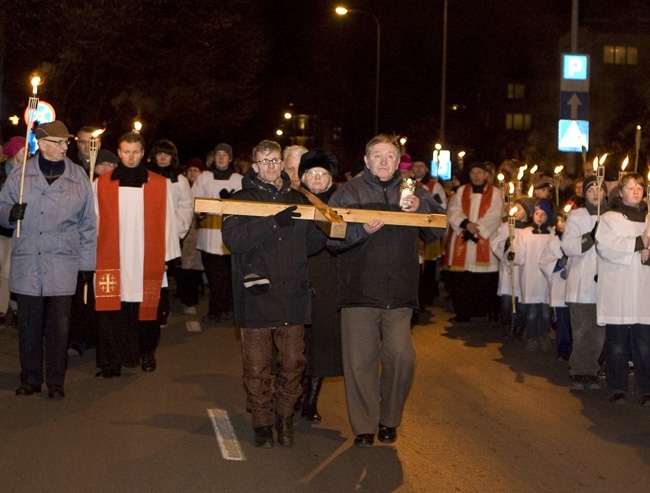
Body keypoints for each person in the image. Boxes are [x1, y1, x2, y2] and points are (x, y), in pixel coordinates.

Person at [327, 134, 445, 447]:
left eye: (389, 155)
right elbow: (329, 237)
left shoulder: (414, 191)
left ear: (398, 161)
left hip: (400, 294)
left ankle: (389, 418)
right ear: (366, 161)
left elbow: (436, 230)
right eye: (376, 155)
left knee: (402, 358)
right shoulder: (348, 192)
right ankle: (364, 426)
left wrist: (421, 207)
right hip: (359, 292)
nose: (383, 161)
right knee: (360, 363)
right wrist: (360, 231)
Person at [222, 139, 325, 449]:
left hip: (292, 293)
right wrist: (272, 222)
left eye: (275, 160)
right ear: (255, 166)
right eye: (264, 161)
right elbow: (234, 240)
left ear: (282, 163)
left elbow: (312, 245)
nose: (270, 166)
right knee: (256, 366)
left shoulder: (300, 198)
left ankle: (285, 417)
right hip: (256, 295)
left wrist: (324, 227)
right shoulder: (240, 199)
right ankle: (262, 422)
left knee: (293, 362)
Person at [0, 121, 97, 399]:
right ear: (42, 145)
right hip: (28, 259)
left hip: (62, 263)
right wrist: (9, 213)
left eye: (66, 142)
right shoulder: (19, 176)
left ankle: (56, 380)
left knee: (59, 326)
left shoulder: (78, 177)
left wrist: (87, 265)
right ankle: (30, 378)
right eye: (59, 142)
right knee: (29, 325)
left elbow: (88, 224)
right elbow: (1, 207)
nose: (65, 147)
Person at [94, 132, 180, 378]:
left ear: (143, 153)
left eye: (135, 152)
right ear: (119, 153)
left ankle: (146, 353)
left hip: (147, 257)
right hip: (114, 257)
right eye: (125, 152)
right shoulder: (101, 185)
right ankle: (111, 362)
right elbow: (93, 223)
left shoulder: (160, 185)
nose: (130, 157)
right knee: (112, 312)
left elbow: (169, 223)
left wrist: (167, 258)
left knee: (147, 310)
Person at [296, 149, 343, 423]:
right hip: (299, 273)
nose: (317, 178)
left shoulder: (341, 202)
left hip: (328, 274)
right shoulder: (294, 199)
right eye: (311, 173)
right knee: (297, 338)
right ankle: (295, 393)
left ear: (330, 179)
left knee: (322, 340)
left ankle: (311, 399)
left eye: (322, 174)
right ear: (303, 177)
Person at [595, 172, 650, 405]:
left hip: (644, 291)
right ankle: (617, 387)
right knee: (617, 344)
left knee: (645, 344)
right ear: (620, 192)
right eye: (630, 187)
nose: (636, 191)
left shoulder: (649, 218)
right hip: (618, 288)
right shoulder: (610, 218)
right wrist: (638, 243)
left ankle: (645, 389)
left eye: (639, 186)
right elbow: (605, 247)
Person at [562, 175, 607, 391]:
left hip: (605, 285)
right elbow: (569, 247)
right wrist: (590, 237)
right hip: (581, 285)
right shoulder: (576, 216)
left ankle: (592, 369)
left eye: (599, 189)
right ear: (584, 194)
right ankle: (578, 370)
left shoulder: (612, 216)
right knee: (581, 330)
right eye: (590, 190)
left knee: (599, 332)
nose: (595, 194)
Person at [443, 161, 504, 322]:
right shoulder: (462, 191)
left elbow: (496, 214)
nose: (476, 176)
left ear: (486, 175)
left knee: (485, 279)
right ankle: (463, 312)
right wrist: (466, 225)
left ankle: (486, 311)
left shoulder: (495, 192)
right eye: (473, 173)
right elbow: (453, 211)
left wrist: (478, 228)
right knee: (464, 279)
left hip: (485, 237)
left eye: (479, 173)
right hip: (464, 237)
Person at [191, 142, 243, 324]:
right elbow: (194, 201)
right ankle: (217, 309)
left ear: (230, 158)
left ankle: (225, 307)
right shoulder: (204, 177)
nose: (221, 158)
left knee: (228, 277)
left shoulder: (238, 179)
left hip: (229, 238)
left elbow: (245, 205)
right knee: (214, 278)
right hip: (208, 237)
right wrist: (202, 209)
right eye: (218, 154)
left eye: (225, 154)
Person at [146, 139, 193, 327]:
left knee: (163, 272)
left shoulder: (179, 180)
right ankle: (150, 308)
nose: (163, 157)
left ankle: (162, 308)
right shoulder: (145, 177)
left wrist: (176, 229)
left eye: (167, 154)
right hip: (148, 234)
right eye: (159, 153)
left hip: (169, 235)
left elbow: (186, 207)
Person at [512, 199, 555, 351]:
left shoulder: (552, 234)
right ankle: (532, 337)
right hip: (529, 278)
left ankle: (544, 335)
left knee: (544, 312)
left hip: (545, 280)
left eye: (544, 214)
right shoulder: (525, 233)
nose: (540, 217)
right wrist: (513, 255)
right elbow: (519, 254)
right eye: (537, 213)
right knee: (531, 313)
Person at [491, 197, 535, 337]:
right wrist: (506, 243)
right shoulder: (506, 227)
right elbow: (495, 244)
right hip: (508, 271)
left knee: (520, 302)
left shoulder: (530, 230)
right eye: (514, 207)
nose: (515, 211)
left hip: (522, 271)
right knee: (506, 302)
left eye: (520, 209)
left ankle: (519, 326)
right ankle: (506, 322)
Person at [0, 136, 27, 325]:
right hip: (1, 227)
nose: (28, 153)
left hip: (18, 228)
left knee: (9, 271)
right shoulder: (2, 172)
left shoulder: (28, 172)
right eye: (24, 150)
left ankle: (6, 309)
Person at [540, 213, 572, 361]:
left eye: (564, 220)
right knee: (563, 321)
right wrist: (558, 266)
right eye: (558, 220)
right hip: (560, 286)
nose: (560, 223)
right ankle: (563, 350)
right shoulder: (552, 242)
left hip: (576, 288)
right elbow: (543, 262)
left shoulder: (578, 240)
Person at [176, 158, 206, 312]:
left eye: (196, 170)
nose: (193, 173)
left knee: (196, 265)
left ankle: (192, 296)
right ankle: (186, 296)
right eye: (190, 170)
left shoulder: (204, 186)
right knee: (185, 264)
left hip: (201, 230)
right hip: (185, 231)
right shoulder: (183, 186)